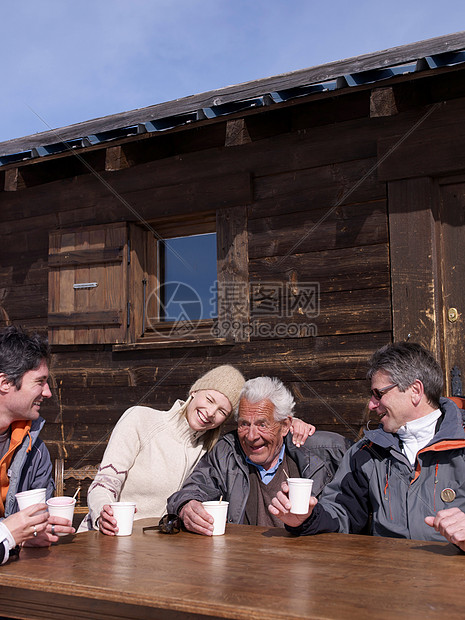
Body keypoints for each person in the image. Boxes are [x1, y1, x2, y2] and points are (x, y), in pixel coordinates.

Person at [269, 341, 465, 551]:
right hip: (386, 577)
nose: (371, 404)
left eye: (378, 394)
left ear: (415, 390)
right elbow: (342, 512)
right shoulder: (366, 452)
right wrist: (306, 518)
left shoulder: (460, 443)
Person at [83, 366, 314, 535]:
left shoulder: (211, 448)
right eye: (210, 399)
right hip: (107, 532)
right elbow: (106, 481)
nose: (211, 412)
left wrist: (288, 424)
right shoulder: (141, 419)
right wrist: (104, 513)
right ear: (195, 391)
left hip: (156, 544)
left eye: (222, 411)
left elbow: (262, 421)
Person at [167, 376, 351, 535]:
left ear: (285, 426)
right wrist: (186, 505)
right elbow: (196, 486)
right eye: (244, 424)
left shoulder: (329, 452)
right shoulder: (227, 452)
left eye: (262, 425)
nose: (251, 436)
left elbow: (350, 515)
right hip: (245, 565)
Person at [0, 325, 75, 560]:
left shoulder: (36, 450)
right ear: (4, 383)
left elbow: (30, 529)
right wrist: (9, 533)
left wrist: (33, 534)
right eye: (40, 382)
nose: (48, 392)